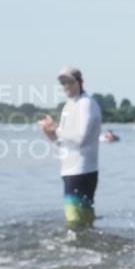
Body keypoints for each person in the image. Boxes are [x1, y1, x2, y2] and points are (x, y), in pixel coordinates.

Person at [39, 67, 102, 228]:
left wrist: (56, 129)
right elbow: (62, 141)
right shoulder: (68, 105)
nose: (66, 85)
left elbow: (81, 138)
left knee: (75, 223)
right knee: (83, 223)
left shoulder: (86, 103)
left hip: (82, 171)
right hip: (69, 171)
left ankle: (81, 251)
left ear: (80, 82)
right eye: (62, 82)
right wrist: (49, 133)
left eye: (70, 81)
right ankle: (89, 250)